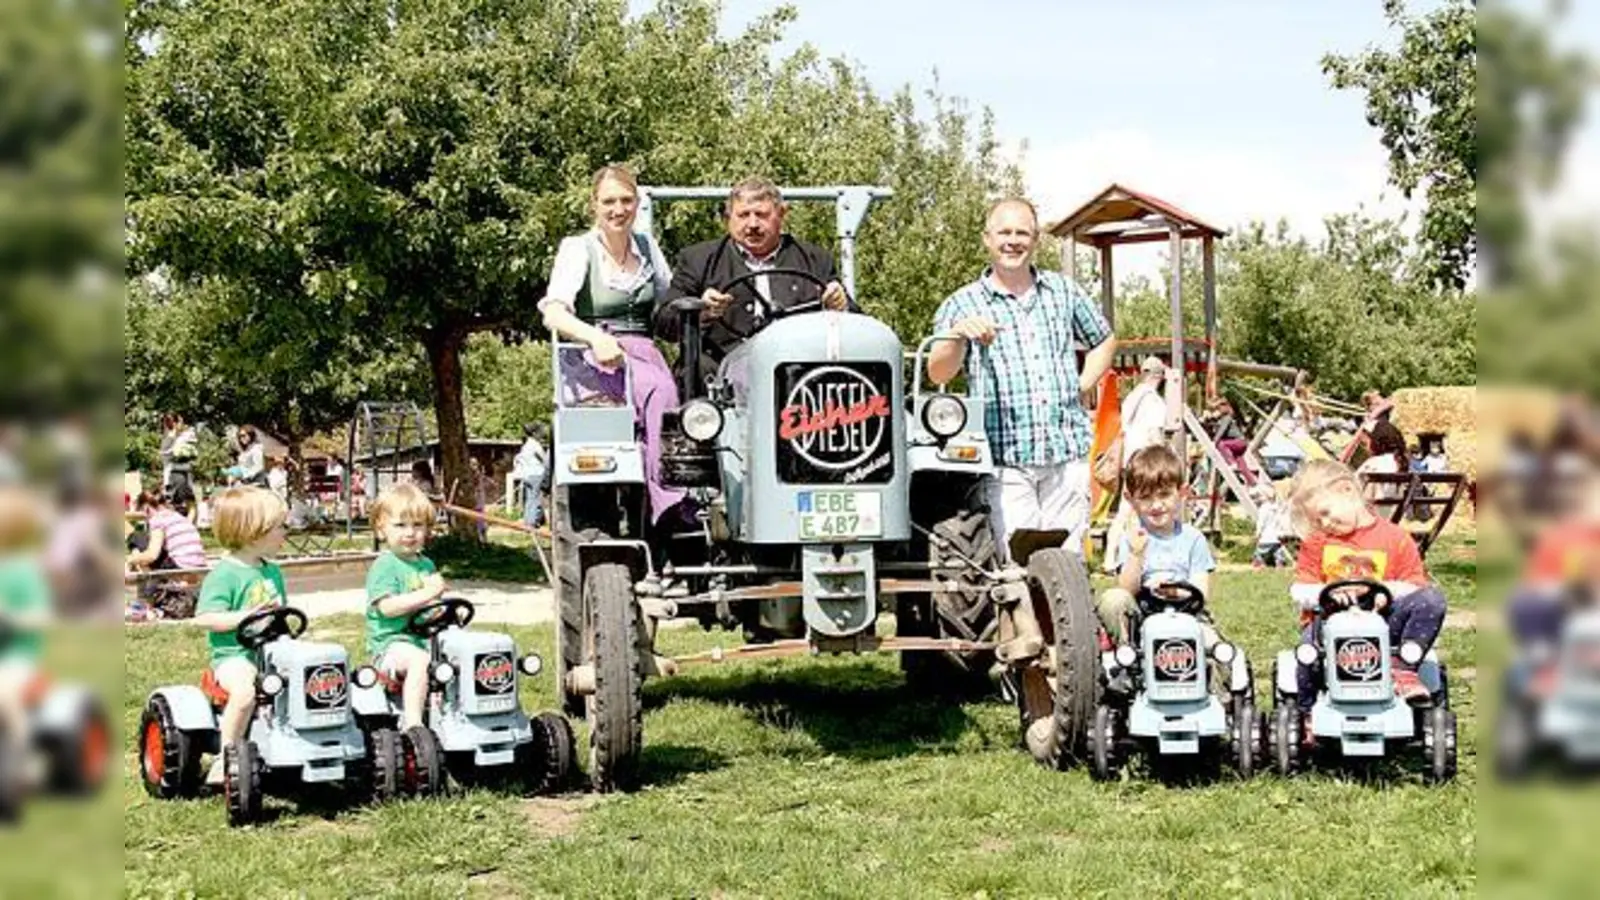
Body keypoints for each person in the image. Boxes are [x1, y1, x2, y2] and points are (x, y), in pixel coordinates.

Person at [925, 197, 1117, 558]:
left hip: (1066, 453)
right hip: (1004, 460)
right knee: (1016, 566)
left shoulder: (1063, 292)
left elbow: (1104, 340)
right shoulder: (961, 304)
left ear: (1035, 240)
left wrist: (1081, 385)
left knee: (1068, 564)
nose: (1013, 241)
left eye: (1022, 233)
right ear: (987, 239)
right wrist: (958, 334)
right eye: (1004, 232)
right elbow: (938, 371)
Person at [654, 176, 854, 390]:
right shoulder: (698, 260)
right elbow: (663, 324)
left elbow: (857, 323)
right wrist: (699, 311)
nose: (752, 224)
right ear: (728, 218)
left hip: (800, 374)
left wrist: (841, 306)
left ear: (782, 215)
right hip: (719, 375)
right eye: (743, 215)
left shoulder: (814, 260)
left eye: (761, 215)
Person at [1287, 459, 1447, 724]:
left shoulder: (1396, 538)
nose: (1325, 523)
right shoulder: (1317, 543)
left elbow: (1415, 584)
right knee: (1306, 653)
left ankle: (1403, 668)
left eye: (1326, 512)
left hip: (1385, 625)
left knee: (1432, 599)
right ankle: (1307, 714)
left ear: (1347, 490)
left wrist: (1387, 592)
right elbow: (1300, 589)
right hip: (1329, 626)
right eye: (1317, 520)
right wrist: (1325, 592)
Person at [1094, 446, 1239, 695]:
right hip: (1143, 613)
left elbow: (1201, 590)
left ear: (1181, 493)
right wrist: (1138, 555)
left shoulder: (1193, 539)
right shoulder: (1131, 539)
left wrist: (1179, 592)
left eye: (1164, 495)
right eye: (1146, 497)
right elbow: (1126, 590)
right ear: (1131, 500)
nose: (1156, 505)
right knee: (1112, 599)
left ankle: (1219, 693)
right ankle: (1128, 663)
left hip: (1187, 614)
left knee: (1216, 646)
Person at [191, 486, 289, 786]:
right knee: (245, 692)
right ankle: (227, 755)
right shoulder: (224, 575)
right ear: (254, 532)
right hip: (235, 657)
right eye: (280, 527)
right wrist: (245, 616)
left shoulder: (272, 571)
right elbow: (205, 619)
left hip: (272, 651)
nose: (286, 531)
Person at [364, 484, 445, 731]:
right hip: (392, 645)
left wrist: (444, 609)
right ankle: (413, 723)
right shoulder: (385, 565)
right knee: (420, 660)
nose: (410, 533)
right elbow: (387, 608)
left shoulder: (426, 563)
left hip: (425, 637)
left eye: (418, 525)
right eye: (400, 526)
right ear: (381, 530)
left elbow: (431, 606)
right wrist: (428, 593)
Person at [0, 486, 53, 789]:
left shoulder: (25, 572)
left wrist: (11, 618)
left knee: (4, 693)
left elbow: (40, 616)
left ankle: (25, 759)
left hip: (17, 658)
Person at [1103, 356, 1169, 573]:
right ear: (1160, 376)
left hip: (1129, 460)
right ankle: (1144, 557)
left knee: (1126, 510)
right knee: (1153, 508)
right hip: (1147, 460)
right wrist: (1164, 459)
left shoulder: (1132, 396)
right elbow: (1155, 433)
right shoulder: (1154, 401)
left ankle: (1110, 556)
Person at [126, 490, 208, 573]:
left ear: (146, 508)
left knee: (137, 538)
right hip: (200, 566)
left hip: (182, 568)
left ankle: (150, 582)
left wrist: (131, 559)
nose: (146, 519)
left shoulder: (157, 519)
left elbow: (152, 555)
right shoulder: (178, 516)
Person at [1249, 480, 1294, 569]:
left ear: (1264, 497)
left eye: (1258, 497)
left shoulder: (1263, 509)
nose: (1256, 500)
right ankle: (1280, 563)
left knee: (1261, 551)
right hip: (1277, 536)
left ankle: (1258, 563)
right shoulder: (1277, 507)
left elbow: (1261, 523)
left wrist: (1258, 533)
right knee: (1277, 551)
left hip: (1266, 537)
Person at [512, 424, 549, 529]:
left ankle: (527, 520)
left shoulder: (526, 446)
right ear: (534, 433)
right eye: (540, 432)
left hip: (526, 475)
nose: (542, 434)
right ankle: (532, 522)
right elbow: (545, 460)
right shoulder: (535, 445)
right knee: (535, 498)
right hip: (536, 474)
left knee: (529, 498)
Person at [160, 414, 199, 498]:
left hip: (181, 467)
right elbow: (165, 452)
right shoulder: (170, 435)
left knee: (187, 492)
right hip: (173, 469)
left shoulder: (186, 433)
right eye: (167, 422)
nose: (170, 424)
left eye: (171, 422)